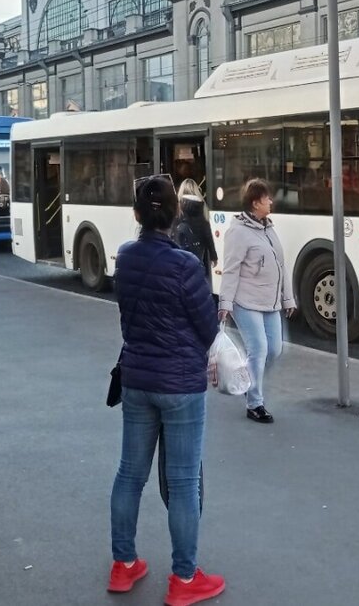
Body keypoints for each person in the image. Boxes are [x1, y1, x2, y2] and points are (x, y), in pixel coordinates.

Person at [109, 174, 224, 605]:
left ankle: (123, 565)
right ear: (176, 214)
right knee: (181, 481)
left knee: (129, 475)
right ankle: (185, 579)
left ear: (137, 214)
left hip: (136, 379)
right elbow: (208, 327)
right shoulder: (184, 265)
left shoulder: (126, 256)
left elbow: (126, 314)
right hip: (180, 385)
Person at [218, 178, 296, 424]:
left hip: (270, 302)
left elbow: (280, 266)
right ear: (255, 203)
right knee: (259, 349)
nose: (271, 202)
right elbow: (230, 270)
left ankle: (248, 377)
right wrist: (225, 304)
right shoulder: (238, 232)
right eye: (266, 199)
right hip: (246, 301)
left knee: (274, 350)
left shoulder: (268, 228)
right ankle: (255, 403)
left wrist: (288, 298)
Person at [171, 179, 217, 287]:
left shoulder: (177, 207)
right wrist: (213, 255)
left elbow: (172, 231)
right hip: (198, 254)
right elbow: (207, 234)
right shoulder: (202, 207)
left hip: (179, 255)